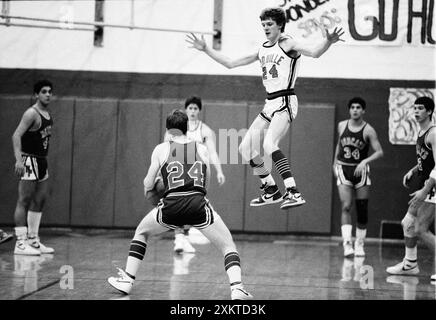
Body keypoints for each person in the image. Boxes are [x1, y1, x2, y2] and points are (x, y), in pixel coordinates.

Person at [186, 7, 344, 209]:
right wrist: (206, 49)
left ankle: (293, 191)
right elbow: (231, 63)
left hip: (285, 100)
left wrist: (328, 41)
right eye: (263, 25)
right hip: (270, 103)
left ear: (280, 25)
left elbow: (314, 52)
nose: (266, 28)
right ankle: (270, 189)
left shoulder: (288, 43)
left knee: (269, 145)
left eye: (269, 24)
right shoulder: (262, 48)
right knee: (244, 148)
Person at [108, 110, 252, 300]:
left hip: (171, 204)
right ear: (186, 129)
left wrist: (155, 189)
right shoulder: (201, 149)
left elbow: (147, 183)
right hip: (197, 203)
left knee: (141, 232)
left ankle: (127, 279)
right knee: (228, 246)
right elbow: (205, 183)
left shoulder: (161, 149)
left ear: (168, 130)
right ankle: (237, 288)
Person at [166, 96, 225, 254]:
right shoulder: (176, 127)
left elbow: (212, 152)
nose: (192, 111)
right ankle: (179, 237)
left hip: (196, 173)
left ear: (199, 110)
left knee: (192, 206)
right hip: (178, 171)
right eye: (190, 108)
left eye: (195, 108)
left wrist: (219, 171)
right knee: (178, 202)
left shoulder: (204, 130)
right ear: (185, 110)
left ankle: (183, 237)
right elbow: (166, 147)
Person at [386, 96, 435, 284]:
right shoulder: (422, 131)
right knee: (408, 223)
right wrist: (414, 169)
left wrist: (424, 190)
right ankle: (410, 263)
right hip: (427, 183)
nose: (416, 111)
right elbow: (427, 159)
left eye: (420, 108)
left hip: (433, 186)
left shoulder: (433, 133)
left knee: (421, 229)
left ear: (429, 111)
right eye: (414, 108)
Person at [332, 97, 384, 258]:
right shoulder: (342, 125)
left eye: (358, 107)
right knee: (346, 206)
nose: (355, 110)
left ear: (363, 111)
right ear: (349, 110)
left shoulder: (369, 130)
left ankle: (359, 243)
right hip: (343, 168)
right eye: (352, 107)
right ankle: (347, 244)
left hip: (360, 171)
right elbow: (339, 145)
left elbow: (379, 152)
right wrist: (334, 163)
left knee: (362, 209)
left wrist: (365, 161)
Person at [11, 79, 55, 255]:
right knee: (24, 199)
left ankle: (33, 239)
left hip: (42, 161)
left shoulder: (47, 113)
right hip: (29, 160)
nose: (47, 94)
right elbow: (16, 135)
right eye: (44, 91)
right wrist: (18, 160)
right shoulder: (31, 113)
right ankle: (20, 243)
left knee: (41, 198)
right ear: (36, 94)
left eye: (50, 91)